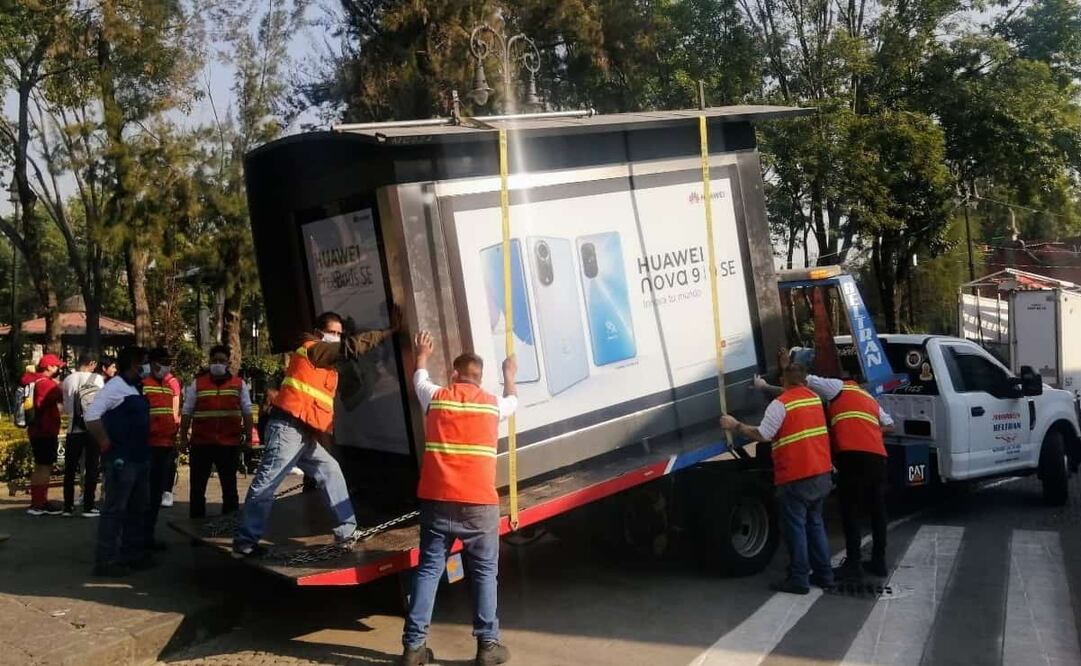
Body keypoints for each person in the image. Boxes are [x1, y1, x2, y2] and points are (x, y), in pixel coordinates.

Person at [233, 310, 397, 557]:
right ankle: (245, 542)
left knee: (330, 470)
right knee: (267, 484)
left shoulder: (321, 361)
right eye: (333, 333)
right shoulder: (315, 349)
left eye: (339, 334)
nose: (337, 338)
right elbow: (351, 348)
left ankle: (347, 531)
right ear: (320, 333)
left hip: (301, 432)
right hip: (288, 429)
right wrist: (388, 331)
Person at [400, 331, 517, 666]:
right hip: (479, 506)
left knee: (428, 570)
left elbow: (419, 378)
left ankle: (413, 647)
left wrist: (422, 353)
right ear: (479, 379)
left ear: (454, 375)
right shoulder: (493, 405)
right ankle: (487, 646)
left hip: (436, 501)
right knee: (483, 573)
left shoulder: (436, 397)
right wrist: (509, 376)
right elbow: (514, 401)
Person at [754, 350, 895, 580]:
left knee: (850, 510)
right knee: (877, 511)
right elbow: (890, 425)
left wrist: (782, 369)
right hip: (878, 457)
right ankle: (879, 562)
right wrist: (868, 431)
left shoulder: (837, 386)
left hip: (852, 456)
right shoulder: (868, 398)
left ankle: (853, 565)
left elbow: (799, 384)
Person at [721, 363, 834, 595]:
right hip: (821, 473)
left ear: (784, 380)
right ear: (804, 381)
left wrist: (736, 425)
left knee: (796, 529)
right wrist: (764, 387)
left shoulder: (780, 405)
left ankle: (799, 579)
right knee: (815, 524)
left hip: (796, 477)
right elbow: (791, 395)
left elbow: (762, 434)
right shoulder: (813, 399)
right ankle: (825, 575)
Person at [84, 346, 152, 577]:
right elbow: (91, 416)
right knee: (114, 510)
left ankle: (131, 555)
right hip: (122, 461)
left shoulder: (134, 387)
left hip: (140, 457)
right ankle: (106, 560)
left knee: (136, 509)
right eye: (143, 362)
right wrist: (105, 443)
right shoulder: (115, 387)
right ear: (133, 363)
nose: (146, 367)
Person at [179, 345, 253, 519]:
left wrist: (250, 438)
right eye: (214, 361)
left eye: (221, 361)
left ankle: (229, 526)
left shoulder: (239, 384)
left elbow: (247, 412)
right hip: (201, 444)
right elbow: (187, 412)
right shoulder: (197, 384)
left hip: (229, 445)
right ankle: (196, 530)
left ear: (228, 363)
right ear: (210, 361)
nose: (217, 364)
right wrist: (182, 438)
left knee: (229, 490)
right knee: (197, 490)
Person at [143, 347, 181, 549]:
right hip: (148, 447)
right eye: (162, 362)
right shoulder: (143, 385)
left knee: (156, 495)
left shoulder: (167, 386)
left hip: (165, 446)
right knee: (145, 496)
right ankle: (140, 539)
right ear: (152, 363)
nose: (165, 366)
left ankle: (149, 536)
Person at [61, 353, 105, 517]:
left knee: (70, 469)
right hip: (92, 428)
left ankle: (67, 506)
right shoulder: (98, 379)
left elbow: (66, 407)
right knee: (92, 467)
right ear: (92, 363)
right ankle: (89, 506)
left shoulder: (68, 380)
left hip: (73, 429)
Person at [26, 354, 66, 516]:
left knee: (39, 466)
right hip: (45, 430)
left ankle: (37, 501)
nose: (58, 369)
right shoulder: (47, 385)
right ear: (49, 367)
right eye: (56, 366)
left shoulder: (33, 381)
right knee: (44, 467)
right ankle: (39, 503)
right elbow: (61, 397)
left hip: (36, 430)